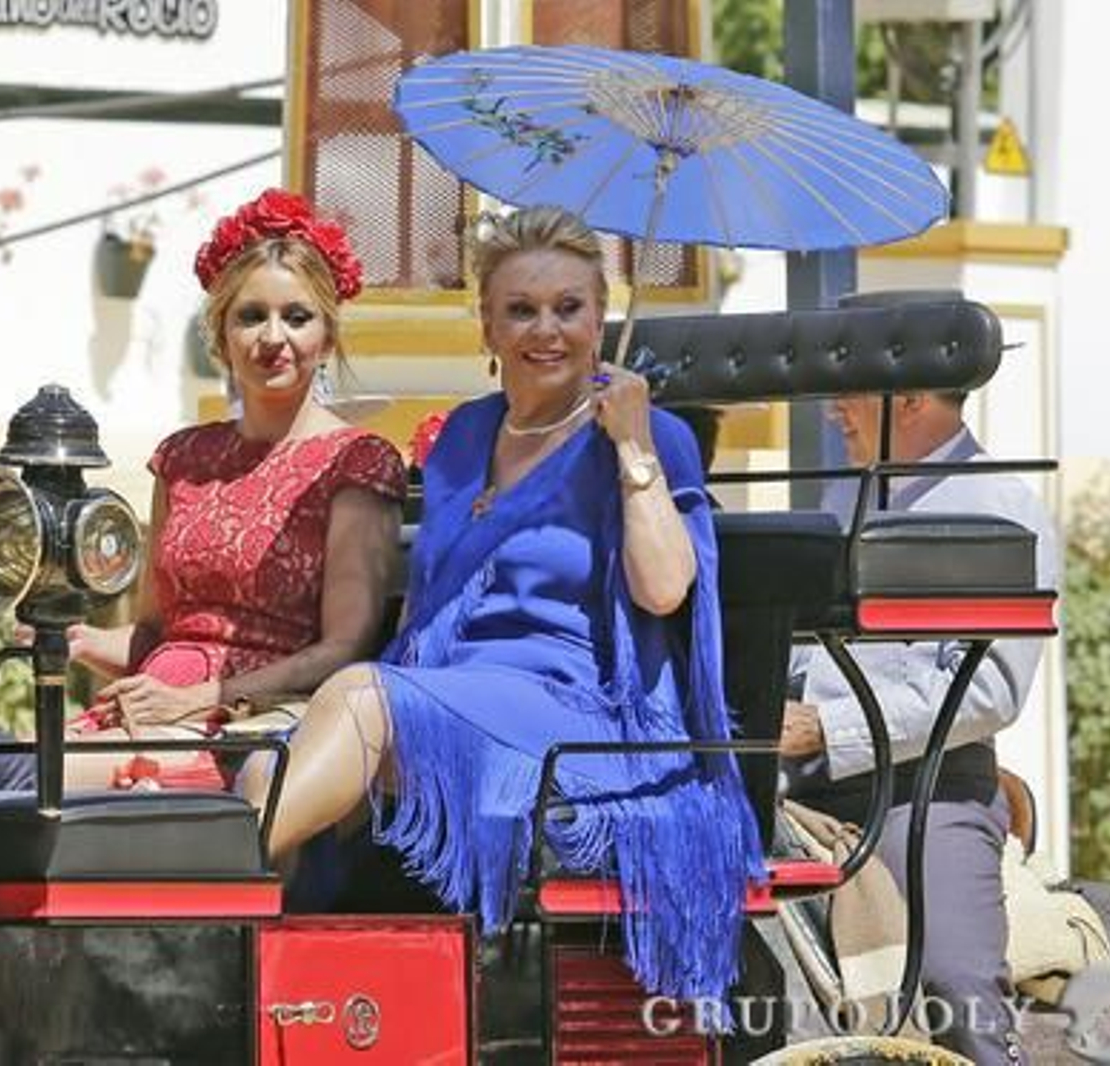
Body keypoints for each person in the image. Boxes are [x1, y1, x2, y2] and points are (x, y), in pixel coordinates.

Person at [241, 206, 764, 1002]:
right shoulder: (463, 435)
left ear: (600, 317)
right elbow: (427, 605)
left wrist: (631, 445)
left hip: (577, 714)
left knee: (358, 700)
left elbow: (664, 588)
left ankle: (202, 910)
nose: (545, 330)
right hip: (449, 694)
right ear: (486, 325)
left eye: (568, 307)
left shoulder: (651, 435)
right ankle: (253, 989)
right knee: (265, 762)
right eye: (521, 309)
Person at [57, 189, 406, 790]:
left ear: (327, 337)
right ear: (220, 335)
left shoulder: (355, 460)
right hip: (151, 713)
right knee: (5, 768)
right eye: (250, 316)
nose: (273, 336)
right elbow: (156, 632)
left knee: (45, 779)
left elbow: (344, 648)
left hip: (264, 723)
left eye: (296, 317)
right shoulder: (182, 458)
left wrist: (197, 699)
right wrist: (78, 641)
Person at [781, 389, 1059, 1065]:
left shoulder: (1003, 507)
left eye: (848, 391)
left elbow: (992, 691)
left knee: (955, 980)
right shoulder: (845, 496)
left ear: (907, 398)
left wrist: (828, 727)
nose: (831, 409)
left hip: (927, 789)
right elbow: (808, 650)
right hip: (797, 778)